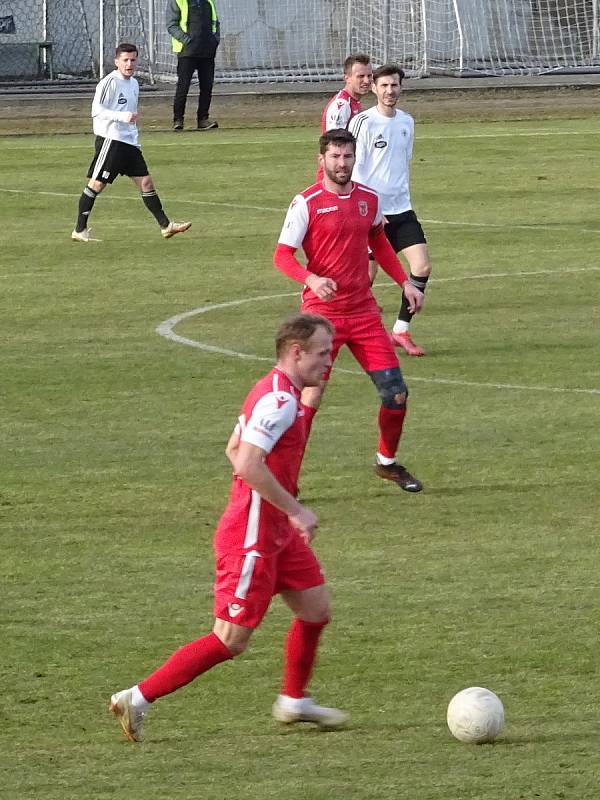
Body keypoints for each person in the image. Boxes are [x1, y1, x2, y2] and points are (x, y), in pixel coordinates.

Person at [110, 313, 348, 742]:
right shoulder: (279, 402)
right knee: (230, 640)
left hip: (275, 532)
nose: (328, 361)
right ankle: (135, 697)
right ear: (297, 352)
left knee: (315, 610)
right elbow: (246, 461)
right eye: (322, 353)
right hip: (252, 537)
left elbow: (232, 447)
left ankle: (294, 700)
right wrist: (294, 509)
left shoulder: (273, 390)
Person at [273, 128, 425, 493]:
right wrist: (310, 279)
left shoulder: (369, 200)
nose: (342, 164)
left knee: (396, 394)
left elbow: (379, 240)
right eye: (335, 157)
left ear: (355, 159)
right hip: (321, 317)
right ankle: (287, 479)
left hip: (364, 313)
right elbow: (282, 256)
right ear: (321, 160)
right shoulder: (306, 202)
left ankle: (386, 463)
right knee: (310, 397)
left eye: (347, 157)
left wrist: (403, 281)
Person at [349, 64, 432, 357]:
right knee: (363, 280)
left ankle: (400, 330)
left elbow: (402, 164)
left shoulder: (407, 122)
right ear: (374, 88)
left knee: (421, 267)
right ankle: (331, 328)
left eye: (394, 85)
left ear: (401, 88)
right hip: (373, 215)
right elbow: (353, 170)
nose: (389, 91)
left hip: (403, 210)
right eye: (383, 86)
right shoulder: (363, 123)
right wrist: (369, 210)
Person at [72, 43, 191, 243]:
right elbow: (96, 111)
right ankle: (79, 230)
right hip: (112, 141)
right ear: (116, 61)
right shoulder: (109, 82)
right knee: (97, 184)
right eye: (125, 60)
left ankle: (166, 226)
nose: (129, 64)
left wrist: (134, 138)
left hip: (129, 143)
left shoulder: (134, 84)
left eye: (133, 60)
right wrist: (122, 116)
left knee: (146, 182)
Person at [316, 54, 372, 183]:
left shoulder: (354, 102)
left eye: (369, 76)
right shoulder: (341, 105)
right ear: (347, 78)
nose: (367, 81)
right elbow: (335, 145)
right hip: (335, 178)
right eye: (361, 76)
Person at [167, 0, 220, 131]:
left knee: (207, 87)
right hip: (187, 52)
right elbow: (171, 25)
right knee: (183, 87)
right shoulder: (178, 1)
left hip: (207, 51)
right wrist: (186, 40)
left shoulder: (208, 2)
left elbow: (216, 23)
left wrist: (215, 40)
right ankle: (178, 120)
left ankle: (203, 119)